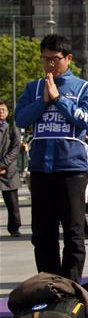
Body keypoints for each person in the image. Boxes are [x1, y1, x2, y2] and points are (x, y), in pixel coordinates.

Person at [15, 34, 88, 281]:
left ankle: (71, 285)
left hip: (71, 169)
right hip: (40, 169)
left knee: (73, 231)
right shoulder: (33, 88)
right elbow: (21, 119)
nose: (50, 64)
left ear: (68, 58)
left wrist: (59, 100)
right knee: (42, 233)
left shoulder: (85, 88)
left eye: (55, 59)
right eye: (45, 59)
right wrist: (43, 101)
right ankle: (49, 282)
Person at [0, 100, 22, 237]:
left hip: (8, 171)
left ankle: (14, 228)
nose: (1, 112)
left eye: (3, 110)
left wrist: (3, 164)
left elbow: (15, 148)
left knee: (12, 204)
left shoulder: (12, 128)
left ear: (7, 112)